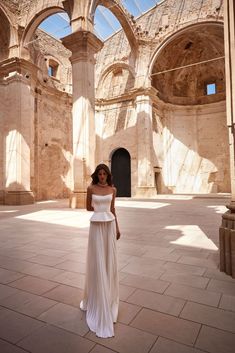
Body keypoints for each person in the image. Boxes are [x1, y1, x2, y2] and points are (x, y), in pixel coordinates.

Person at [80, 163, 121, 338]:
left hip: (110, 226)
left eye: (104, 174)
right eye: (100, 174)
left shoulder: (113, 189)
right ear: (96, 175)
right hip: (96, 226)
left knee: (108, 260)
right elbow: (88, 208)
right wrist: (99, 210)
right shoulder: (90, 188)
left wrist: (118, 227)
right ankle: (96, 298)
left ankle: (109, 297)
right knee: (97, 260)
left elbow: (113, 209)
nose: (102, 176)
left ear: (107, 175)